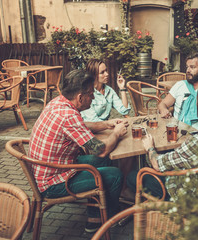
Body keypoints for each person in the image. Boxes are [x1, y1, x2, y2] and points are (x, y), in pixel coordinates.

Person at [29, 69, 128, 233]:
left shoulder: (58, 103)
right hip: (52, 183)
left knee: (103, 163)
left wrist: (106, 124)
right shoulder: (69, 116)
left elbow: (80, 126)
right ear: (80, 98)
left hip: (47, 170)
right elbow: (101, 150)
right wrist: (117, 133)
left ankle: (95, 213)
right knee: (115, 174)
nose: (94, 97)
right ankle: (105, 218)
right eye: (91, 93)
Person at [127, 81, 198, 200]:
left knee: (133, 176)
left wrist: (150, 148)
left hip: (188, 195)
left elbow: (157, 164)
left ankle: (152, 209)